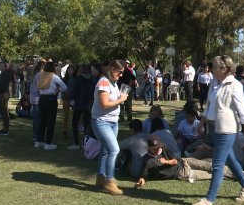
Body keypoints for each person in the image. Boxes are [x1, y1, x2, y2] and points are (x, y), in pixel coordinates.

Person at [192, 55, 244, 205]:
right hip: (214, 128)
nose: (211, 69)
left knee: (217, 164)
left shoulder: (235, 85)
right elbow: (210, 105)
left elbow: (243, 111)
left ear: (224, 69)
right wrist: (202, 122)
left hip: (228, 129)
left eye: (214, 67)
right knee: (230, 160)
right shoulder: (214, 82)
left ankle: (209, 199)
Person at [91, 60, 128, 195]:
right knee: (114, 150)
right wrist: (121, 99)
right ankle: (110, 181)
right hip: (101, 122)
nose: (121, 75)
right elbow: (105, 104)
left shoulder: (113, 83)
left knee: (106, 150)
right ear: (112, 69)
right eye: (119, 72)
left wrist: (119, 96)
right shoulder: (103, 82)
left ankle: (100, 178)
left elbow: (111, 100)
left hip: (113, 122)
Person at [134, 135, 213, 188]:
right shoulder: (147, 161)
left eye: (159, 147)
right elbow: (144, 176)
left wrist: (166, 162)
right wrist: (140, 183)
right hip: (181, 173)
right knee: (209, 175)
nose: (158, 149)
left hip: (183, 161)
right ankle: (222, 175)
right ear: (149, 147)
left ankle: (222, 169)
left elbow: (175, 160)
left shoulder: (163, 147)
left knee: (207, 166)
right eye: (155, 148)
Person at [34, 61, 68, 150]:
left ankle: (39, 141)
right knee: (50, 121)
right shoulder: (54, 77)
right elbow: (65, 87)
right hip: (51, 99)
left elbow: (38, 88)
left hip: (41, 99)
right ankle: (48, 143)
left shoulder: (41, 76)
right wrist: (58, 90)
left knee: (42, 121)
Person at [69, 64, 95, 150]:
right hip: (88, 104)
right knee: (86, 124)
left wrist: (72, 100)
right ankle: (85, 144)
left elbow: (73, 91)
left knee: (75, 123)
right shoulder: (92, 80)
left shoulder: (77, 79)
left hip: (78, 104)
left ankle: (76, 143)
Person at [0, 61, 16, 135]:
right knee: (3, 112)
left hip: (3, 94)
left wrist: (13, 90)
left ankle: (6, 129)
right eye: (0, 66)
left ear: (5, 66)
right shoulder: (3, 73)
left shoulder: (7, 73)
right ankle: (5, 128)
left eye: (2, 66)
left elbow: (5, 84)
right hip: (2, 93)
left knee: (4, 111)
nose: (1, 67)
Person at [30, 60, 45, 143]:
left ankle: (36, 135)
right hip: (37, 99)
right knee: (38, 119)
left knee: (36, 119)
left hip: (35, 98)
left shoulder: (37, 74)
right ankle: (36, 136)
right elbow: (40, 88)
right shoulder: (40, 75)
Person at [62, 64, 76, 139]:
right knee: (66, 116)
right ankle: (65, 130)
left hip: (73, 99)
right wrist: (65, 92)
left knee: (74, 116)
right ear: (67, 70)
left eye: (72, 69)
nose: (70, 71)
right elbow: (62, 88)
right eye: (69, 69)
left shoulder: (76, 79)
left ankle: (74, 130)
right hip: (66, 99)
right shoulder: (64, 79)